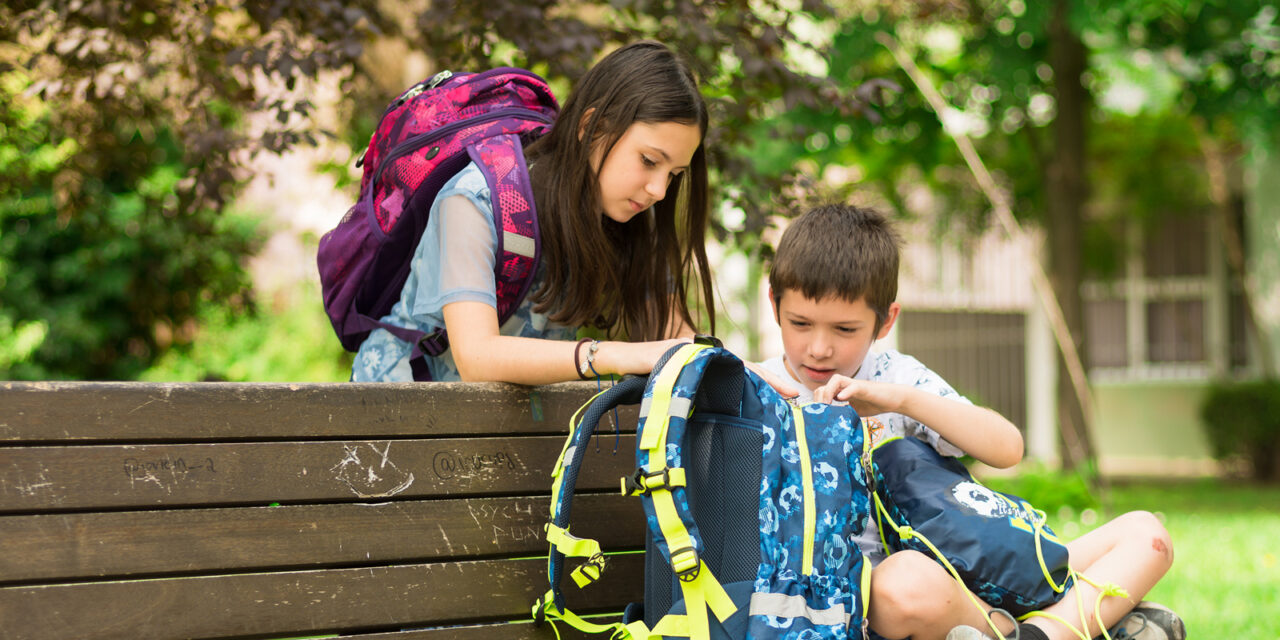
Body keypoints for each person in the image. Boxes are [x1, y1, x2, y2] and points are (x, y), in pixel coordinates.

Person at [758, 203, 1183, 640]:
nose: (819, 348)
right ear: (775, 306)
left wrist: (901, 401)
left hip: (979, 564)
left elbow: (1006, 448)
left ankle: (1037, 633)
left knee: (1147, 534)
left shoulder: (896, 378)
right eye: (801, 323)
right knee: (901, 584)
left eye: (845, 330)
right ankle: (1067, 626)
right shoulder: (757, 391)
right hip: (897, 596)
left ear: (885, 321)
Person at [351, 41, 713, 383]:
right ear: (591, 128)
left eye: (674, 175)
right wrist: (614, 356)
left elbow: (675, 338)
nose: (659, 191)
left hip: (498, 428)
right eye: (649, 161)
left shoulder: (624, 216)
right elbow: (477, 356)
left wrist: (746, 374)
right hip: (392, 416)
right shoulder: (477, 199)